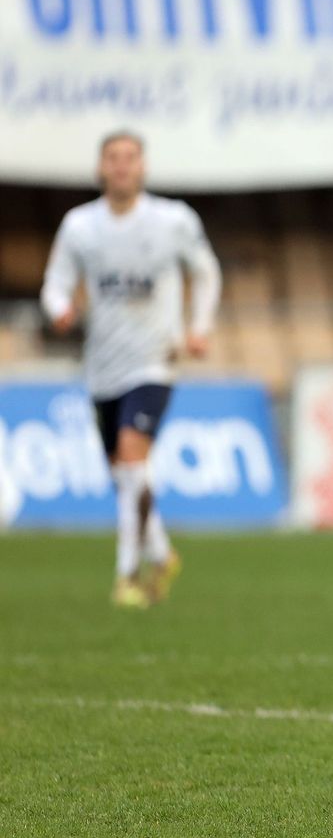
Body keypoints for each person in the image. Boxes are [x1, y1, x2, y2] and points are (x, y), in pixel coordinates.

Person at [41, 131, 222, 610]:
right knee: (125, 474)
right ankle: (162, 554)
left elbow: (205, 270)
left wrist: (199, 327)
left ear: (142, 167)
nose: (121, 166)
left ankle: (127, 576)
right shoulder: (79, 226)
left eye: (130, 158)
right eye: (113, 158)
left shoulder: (172, 220)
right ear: (102, 168)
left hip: (154, 360)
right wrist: (60, 309)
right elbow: (54, 285)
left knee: (130, 456)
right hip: (102, 365)